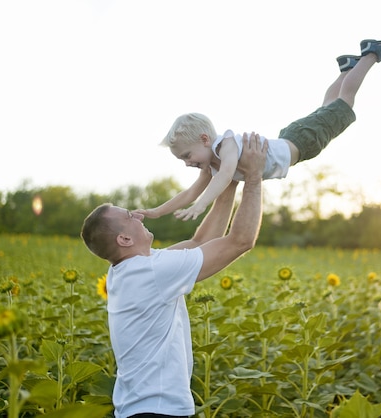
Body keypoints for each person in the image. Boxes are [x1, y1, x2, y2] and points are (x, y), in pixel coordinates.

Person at [80, 133, 267, 418]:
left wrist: (227, 180)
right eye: (130, 217)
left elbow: (199, 243)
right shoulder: (151, 272)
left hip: (139, 409)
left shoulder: (131, 269)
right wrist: (253, 178)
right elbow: (239, 241)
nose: (139, 216)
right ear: (124, 240)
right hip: (157, 411)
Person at [136, 39, 381, 221]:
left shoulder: (226, 146)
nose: (187, 163)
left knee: (344, 102)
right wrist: (156, 212)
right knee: (328, 107)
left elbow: (226, 174)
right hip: (294, 138)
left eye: (186, 155)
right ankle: (347, 69)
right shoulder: (212, 165)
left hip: (303, 140)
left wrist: (201, 205)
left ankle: (370, 54)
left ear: (205, 139)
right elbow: (189, 193)